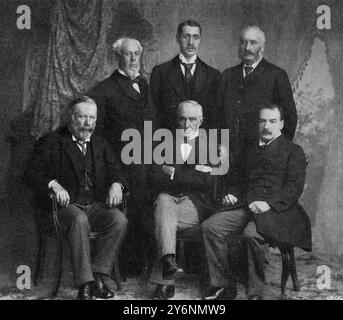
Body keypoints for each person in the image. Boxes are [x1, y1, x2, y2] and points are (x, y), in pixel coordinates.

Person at [202, 104, 311, 300]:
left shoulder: (293, 151)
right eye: (263, 121)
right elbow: (237, 179)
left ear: (282, 124)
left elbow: (294, 188)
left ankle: (255, 292)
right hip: (246, 205)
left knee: (252, 235)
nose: (267, 126)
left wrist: (268, 204)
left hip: (277, 210)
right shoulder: (249, 149)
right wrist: (233, 193)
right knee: (211, 227)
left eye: (272, 121)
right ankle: (224, 284)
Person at [25, 96, 128, 300]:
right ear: (71, 118)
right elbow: (31, 174)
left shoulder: (100, 143)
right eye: (82, 117)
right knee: (78, 219)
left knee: (119, 219)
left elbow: (118, 171)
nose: (87, 123)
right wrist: (52, 184)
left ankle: (98, 277)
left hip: (93, 206)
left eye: (92, 118)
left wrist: (117, 184)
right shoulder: (51, 141)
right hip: (59, 210)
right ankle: (85, 284)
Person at [88, 37, 155, 274]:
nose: (134, 58)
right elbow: (97, 139)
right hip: (119, 167)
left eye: (137, 53)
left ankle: (146, 266)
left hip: (147, 162)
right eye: (128, 54)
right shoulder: (104, 90)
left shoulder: (145, 86)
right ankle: (122, 267)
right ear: (119, 56)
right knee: (129, 210)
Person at [147, 100, 219, 300]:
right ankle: (168, 261)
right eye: (183, 118)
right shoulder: (163, 142)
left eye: (192, 119)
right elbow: (152, 176)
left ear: (201, 120)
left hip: (194, 205)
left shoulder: (212, 146)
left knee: (164, 222)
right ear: (176, 119)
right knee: (162, 199)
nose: (187, 124)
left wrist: (171, 172)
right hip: (167, 201)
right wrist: (192, 172)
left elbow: (206, 182)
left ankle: (164, 283)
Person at [218, 26, 297, 157]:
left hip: (260, 156)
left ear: (262, 46)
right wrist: (219, 145)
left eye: (253, 43)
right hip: (228, 154)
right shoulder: (228, 75)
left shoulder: (276, 75)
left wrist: (276, 152)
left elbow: (289, 118)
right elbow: (217, 114)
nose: (247, 48)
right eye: (243, 42)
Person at [150, 20, 221, 131]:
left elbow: (216, 118)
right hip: (169, 142)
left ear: (200, 39)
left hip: (202, 144)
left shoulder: (213, 75)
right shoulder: (160, 72)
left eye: (195, 37)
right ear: (177, 38)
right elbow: (153, 115)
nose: (191, 43)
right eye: (186, 37)